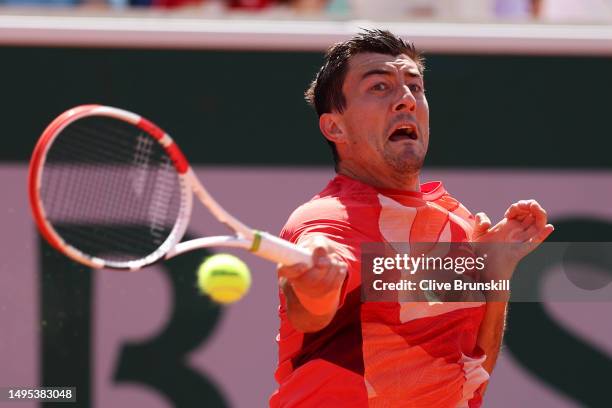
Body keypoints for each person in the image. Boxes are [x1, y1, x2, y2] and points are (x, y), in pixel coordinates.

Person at [270, 29, 554, 408]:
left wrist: (494, 272)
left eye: (415, 87)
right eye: (379, 87)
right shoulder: (327, 219)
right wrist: (314, 282)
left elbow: (469, 384)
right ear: (335, 127)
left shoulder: (456, 224)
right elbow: (310, 309)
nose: (405, 100)